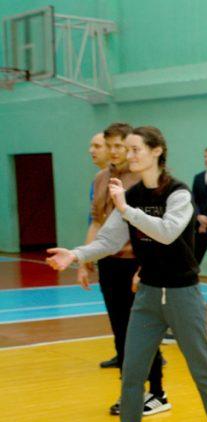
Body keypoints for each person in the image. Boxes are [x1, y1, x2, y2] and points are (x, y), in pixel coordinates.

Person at [47, 126, 207, 422]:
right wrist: (76, 255)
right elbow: (109, 240)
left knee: (200, 366)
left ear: (157, 151)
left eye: (135, 149)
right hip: (147, 293)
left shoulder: (178, 193)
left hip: (182, 293)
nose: (128, 155)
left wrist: (126, 209)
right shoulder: (131, 196)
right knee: (132, 370)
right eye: (127, 149)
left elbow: (166, 232)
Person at [87, 122, 168, 416]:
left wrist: (145, 267)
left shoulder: (144, 181)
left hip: (137, 262)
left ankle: (157, 391)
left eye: (119, 146)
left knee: (144, 330)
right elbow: (97, 221)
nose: (113, 151)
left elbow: (154, 231)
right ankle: (129, 392)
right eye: (108, 146)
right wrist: (85, 259)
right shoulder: (101, 178)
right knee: (120, 331)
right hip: (110, 263)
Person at [82, 132, 120, 367]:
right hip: (106, 254)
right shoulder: (98, 180)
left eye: (97, 146)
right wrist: (87, 254)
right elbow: (95, 220)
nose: (91, 150)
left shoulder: (129, 180)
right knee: (115, 310)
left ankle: (150, 357)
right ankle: (122, 352)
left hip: (126, 255)